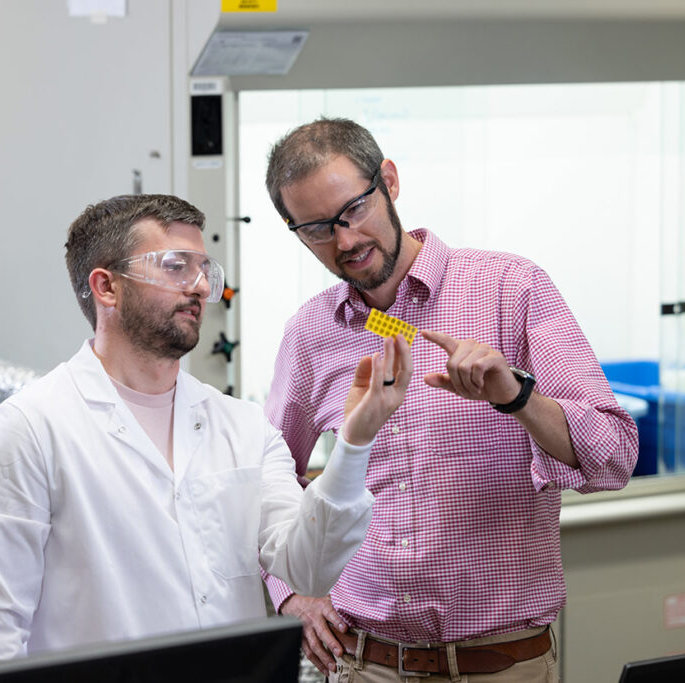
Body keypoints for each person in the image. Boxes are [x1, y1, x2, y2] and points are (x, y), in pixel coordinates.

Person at [0, 193, 413, 667]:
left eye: (203, 269)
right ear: (106, 287)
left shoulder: (242, 427)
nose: (198, 287)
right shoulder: (28, 431)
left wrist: (354, 444)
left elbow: (309, 569)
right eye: (175, 266)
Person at [262, 118, 639, 682]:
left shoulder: (512, 289)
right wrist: (291, 591)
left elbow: (614, 456)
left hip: (501, 663)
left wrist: (516, 397)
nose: (344, 242)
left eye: (353, 212)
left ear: (388, 181)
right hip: (364, 663)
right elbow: (265, 479)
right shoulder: (313, 333)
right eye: (316, 229)